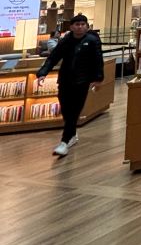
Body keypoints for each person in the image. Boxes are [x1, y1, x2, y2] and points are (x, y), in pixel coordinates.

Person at [36, 14, 104, 157]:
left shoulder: (92, 41)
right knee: (66, 108)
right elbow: (53, 57)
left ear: (87, 26)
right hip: (65, 79)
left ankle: (64, 142)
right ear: (72, 27)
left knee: (74, 110)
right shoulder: (66, 41)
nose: (80, 27)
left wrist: (98, 78)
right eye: (77, 24)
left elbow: (98, 60)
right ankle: (72, 134)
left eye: (82, 24)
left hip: (82, 81)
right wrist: (43, 72)